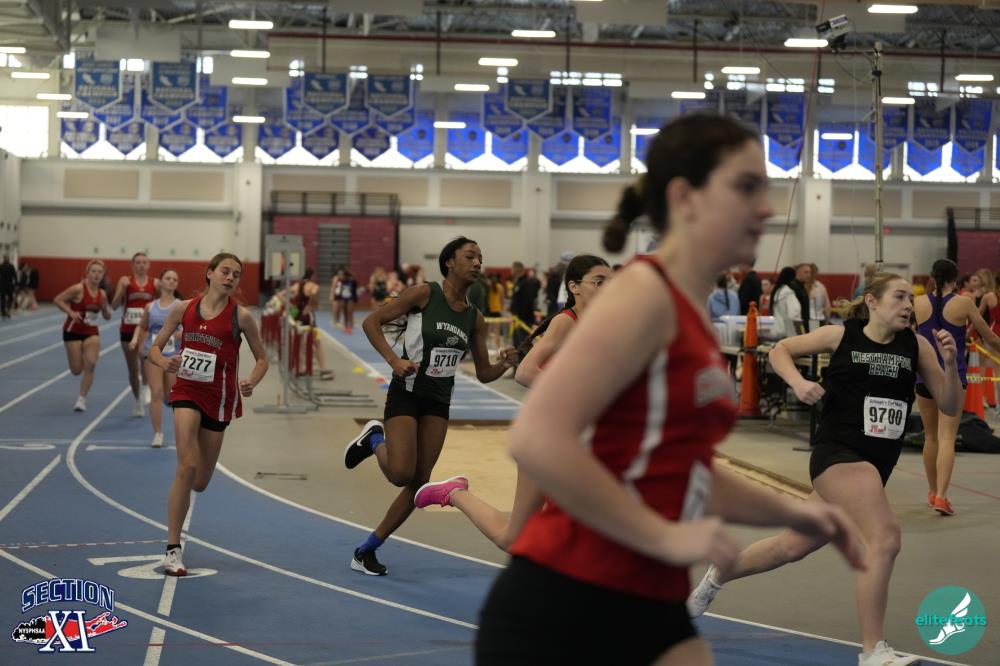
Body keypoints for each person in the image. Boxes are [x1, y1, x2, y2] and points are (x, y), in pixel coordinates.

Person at [476, 114, 864, 666]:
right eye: (746, 187)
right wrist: (661, 536)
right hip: (568, 597)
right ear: (685, 198)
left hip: (649, 595)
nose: (766, 208)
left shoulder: (693, 316)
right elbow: (534, 440)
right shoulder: (640, 295)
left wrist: (802, 515)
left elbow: (688, 469)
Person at [689, 272, 962, 666]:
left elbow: (950, 404)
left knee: (790, 547)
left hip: (876, 463)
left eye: (910, 298)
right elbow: (781, 350)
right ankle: (873, 651)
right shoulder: (840, 335)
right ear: (871, 301)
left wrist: (950, 365)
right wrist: (798, 383)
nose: (908, 305)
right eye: (899, 297)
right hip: (838, 454)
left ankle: (718, 575)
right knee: (885, 538)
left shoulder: (916, 345)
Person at [342, 237, 517, 576]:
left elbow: (484, 373)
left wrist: (505, 364)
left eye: (481, 258)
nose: (478, 263)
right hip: (406, 393)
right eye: (470, 256)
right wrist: (394, 361)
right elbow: (371, 322)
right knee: (401, 474)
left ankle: (366, 550)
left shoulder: (475, 318)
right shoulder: (425, 294)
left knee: (419, 482)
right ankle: (374, 439)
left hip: (438, 402)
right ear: (449, 262)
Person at [412, 255, 612, 551]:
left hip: (572, 440)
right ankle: (454, 494)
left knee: (563, 533)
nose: (608, 288)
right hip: (543, 439)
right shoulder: (565, 323)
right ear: (574, 287)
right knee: (517, 539)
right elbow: (525, 372)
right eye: (599, 282)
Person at [150, 253, 269, 576]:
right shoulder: (183, 309)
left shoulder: (241, 317)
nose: (230, 278)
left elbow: (262, 359)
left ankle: (180, 516)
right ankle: (172, 548)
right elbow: (154, 348)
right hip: (187, 391)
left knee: (200, 482)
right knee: (187, 466)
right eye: (225, 271)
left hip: (219, 400)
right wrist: (165, 362)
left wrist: (251, 381)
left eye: (236, 274)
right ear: (210, 273)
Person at [914, 259, 1000, 516]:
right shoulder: (963, 303)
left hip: (924, 376)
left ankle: (932, 491)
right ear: (956, 278)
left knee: (930, 437)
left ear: (932, 276)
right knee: (947, 438)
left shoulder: (919, 302)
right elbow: (989, 336)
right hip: (953, 377)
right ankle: (941, 496)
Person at [131, 269, 183, 448]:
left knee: (171, 395)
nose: (171, 281)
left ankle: (178, 424)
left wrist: (179, 334)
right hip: (153, 353)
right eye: (168, 278)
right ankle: (158, 433)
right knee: (156, 392)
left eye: (175, 279)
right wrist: (135, 339)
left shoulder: (181, 306)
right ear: (160, 282)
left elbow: (190, 328)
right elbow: (141, 326)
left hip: (173, 355)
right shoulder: (150, 307)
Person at [53, 260, 113, 412]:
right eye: (93, 271)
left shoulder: (102, 294)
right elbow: (58, 299)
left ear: (103, 275)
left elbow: (106, 314)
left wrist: (107, 312)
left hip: (91, 332)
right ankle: (77, 355)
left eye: (100, 272)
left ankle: (81, 399)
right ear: (87, 273)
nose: (96, 275)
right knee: (76, 370)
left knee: (91, 364)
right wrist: (71, 312)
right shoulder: (78, 289)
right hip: (73, 332)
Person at [112, 252, 158, 418]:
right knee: (133, 369)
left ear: (149, 265)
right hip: (127, 329)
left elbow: (163, 303)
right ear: (132, 265)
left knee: (145, 359)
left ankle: (145, 386)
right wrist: (122, 289)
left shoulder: (155, 283)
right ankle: (137, 400)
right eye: (138, 262)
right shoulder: (125, 281)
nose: (141, 265)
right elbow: (114, 305)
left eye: (144, 262)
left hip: (146, 330)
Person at [288, 268, 334, 380]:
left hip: (297, 316)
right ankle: (323, 370)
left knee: (300, 343)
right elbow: (313, 297)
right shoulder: (314, 286)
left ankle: (300, 368)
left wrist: (293, 307)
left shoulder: (296, 286)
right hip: (308, 317)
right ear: (312, 276)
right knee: (317, 343)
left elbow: (283, 295)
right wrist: (311, 305)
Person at [509, 261, 540, 349]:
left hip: (524, 319)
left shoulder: (527, 283)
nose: (511, 270)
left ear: (517, 269)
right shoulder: (517, 283)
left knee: (523, 345)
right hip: (517, 320)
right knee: (516, 345)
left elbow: (528, 301)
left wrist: (522, 317)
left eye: (512, 268)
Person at [770, 266, 803, 339]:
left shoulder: (777, 292)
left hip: (778, 329)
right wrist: (800, 332)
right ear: (792, 278)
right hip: (789, 332)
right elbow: (794, 313)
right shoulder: (788, 293)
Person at [333, 268, 359, 333]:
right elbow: (339, 290)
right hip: (343, 298)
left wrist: (355, 299)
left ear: (346, 276)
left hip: (350, 298)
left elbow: (355, 291)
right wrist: (337, 297)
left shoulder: (352, 281)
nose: (341, 277)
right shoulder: (341, 281)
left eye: (343, 276)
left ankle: (350, 326)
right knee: (344, 312)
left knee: (349, 311)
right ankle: (345, 326)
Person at [0, 255, 16, 319]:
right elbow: (14, 276)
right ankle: (8, 310)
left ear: (3, 259)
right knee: (10, 298)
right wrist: (16, 284)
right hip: (9, 285)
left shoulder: (1, 266)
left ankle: (3, 312)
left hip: (3, 285)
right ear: (8, 259)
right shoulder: (11, 266)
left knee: (2, 299)